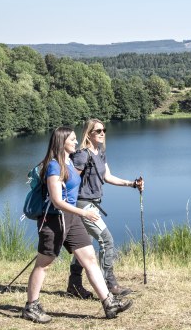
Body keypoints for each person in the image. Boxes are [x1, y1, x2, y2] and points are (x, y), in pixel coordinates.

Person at [23, 126, 133, 323]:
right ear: (61, 142)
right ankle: (31, 307)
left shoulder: (69, 163)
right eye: (72, 139)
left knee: (89, 259)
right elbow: (57, 201)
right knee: (43, 264)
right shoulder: (54, 166)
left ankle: (109, 303)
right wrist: (84, 212)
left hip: (71, 219)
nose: (76, 142)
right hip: (54, 220)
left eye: (75, 139)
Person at [66, 118, 145, 299]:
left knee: (83, 245)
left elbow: (107, 176)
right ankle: (108, 283)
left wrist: (132, 184)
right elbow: (70, 180)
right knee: (106, 241)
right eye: (98, 131)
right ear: (89, 134)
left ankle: (74, 284)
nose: (102, 133)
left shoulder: (100, 152)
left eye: (104, 130)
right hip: (82, 205)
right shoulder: (82, 155)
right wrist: (66, 205)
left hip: (92, 204)